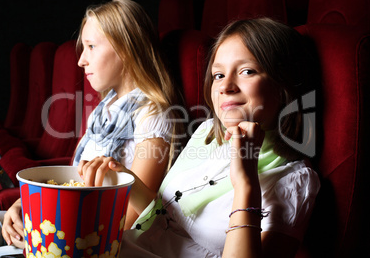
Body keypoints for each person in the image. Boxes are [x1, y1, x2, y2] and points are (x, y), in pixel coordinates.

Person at [0, 0, 182, 256]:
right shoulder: (104, 107)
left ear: (126, 48)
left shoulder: (153, 114)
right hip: (55, 220)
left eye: (91, 47)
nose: (81, 60)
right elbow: (71, 179)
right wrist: (24, 204)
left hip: (82, 238)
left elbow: (132, 222)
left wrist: (38, 230)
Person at [104, 17, 320, 257]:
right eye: (218, 75)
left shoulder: (294, 181)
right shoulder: (206, 133)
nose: (225, 86)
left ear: (284, 86)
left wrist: (245, 182)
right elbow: (163, 222)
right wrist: (125, 178)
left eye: (247, 71)